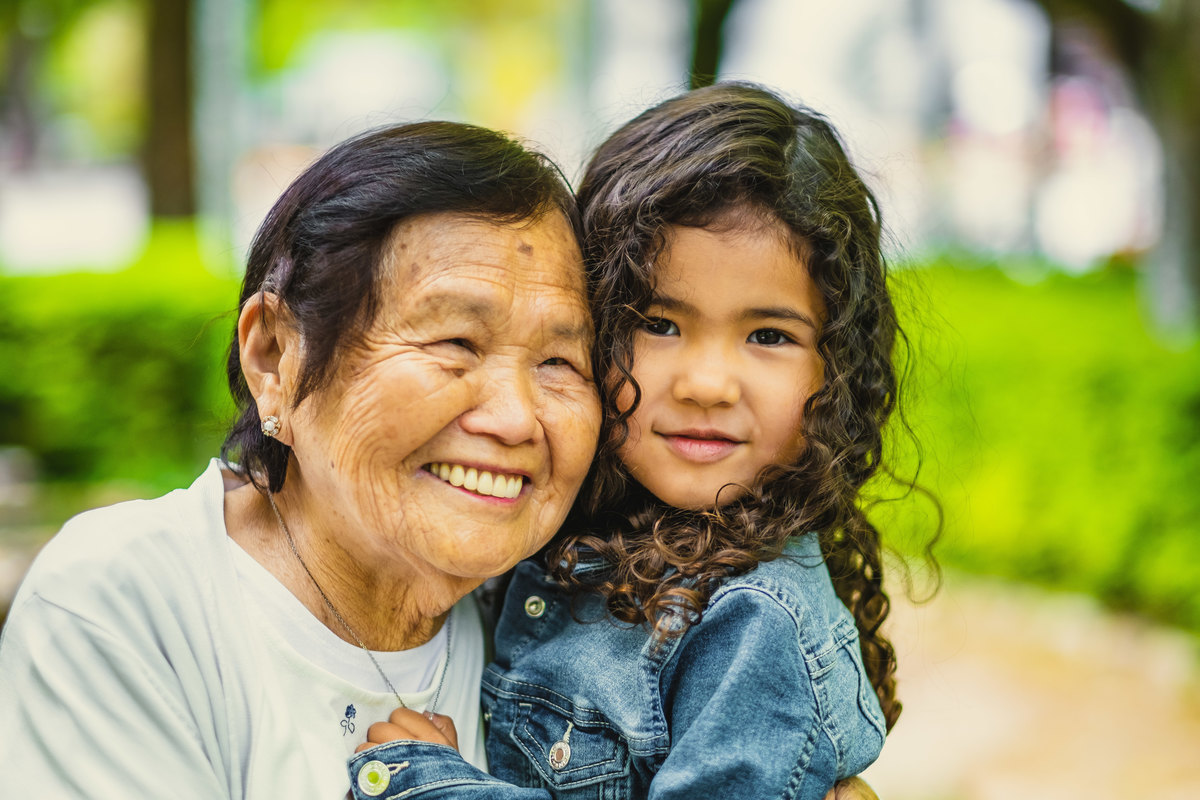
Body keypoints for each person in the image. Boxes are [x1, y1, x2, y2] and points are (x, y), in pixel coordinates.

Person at [347, 82, 924, 800]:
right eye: (659, 323)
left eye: (768, 335)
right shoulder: (549, 519)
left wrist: (433, 784)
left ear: (835, 369)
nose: (708, 383)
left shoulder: (753, 625)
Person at [0, 121, 601, 797]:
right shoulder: (127, 606)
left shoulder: (569, 627)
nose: (517, 417)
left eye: (560, 363)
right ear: (276, 357)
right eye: (455, 340)